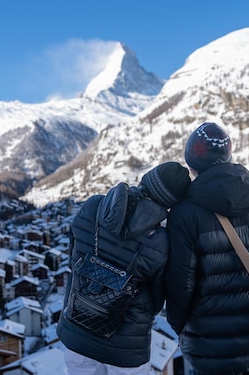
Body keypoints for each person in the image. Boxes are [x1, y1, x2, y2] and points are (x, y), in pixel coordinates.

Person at [165, 122, 249, 375]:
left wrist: (180, 327)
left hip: (209, 345)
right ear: (228, 156)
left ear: (191, 163)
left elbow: (180, 284)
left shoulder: (185, 212)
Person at [57, 161, 191, 375]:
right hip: (127, 347)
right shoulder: (161, 241)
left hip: (78, 330)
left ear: (146, 178)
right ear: (171, 203)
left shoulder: (93, 207)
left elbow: (74, 259)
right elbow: (157, 300)